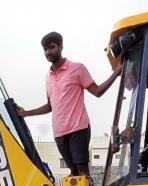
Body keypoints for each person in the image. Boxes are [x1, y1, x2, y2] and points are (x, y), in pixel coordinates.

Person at [18, 32, 122, 176]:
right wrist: (26, 113)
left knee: (82, 171)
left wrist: (116, 72)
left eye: (51, 47)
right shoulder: (48, 77)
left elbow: (97, 91)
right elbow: (50, 106)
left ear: (60, 47)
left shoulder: (77, 68)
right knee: (73, 172)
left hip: (78, 128)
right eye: (45, 49)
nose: (48, 52)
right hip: (59, 132)